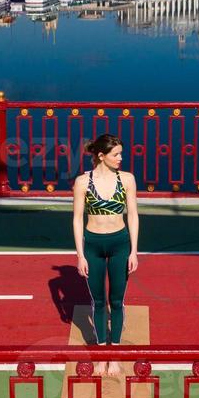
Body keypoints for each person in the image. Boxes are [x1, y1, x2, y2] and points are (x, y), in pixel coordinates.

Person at [72, 134, 139, 346]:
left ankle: (115, 353)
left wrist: (134, 251)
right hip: (93, 245)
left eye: (121, 153)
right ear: (101, 156)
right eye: (116, 154)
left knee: (117, 301)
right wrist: (80, 255)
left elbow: (133, 215)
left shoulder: (127, 179)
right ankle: (102, 354)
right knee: (99, 302)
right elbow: (76, 219)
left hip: (120, 244)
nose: (120, 158)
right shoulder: (83, 182)